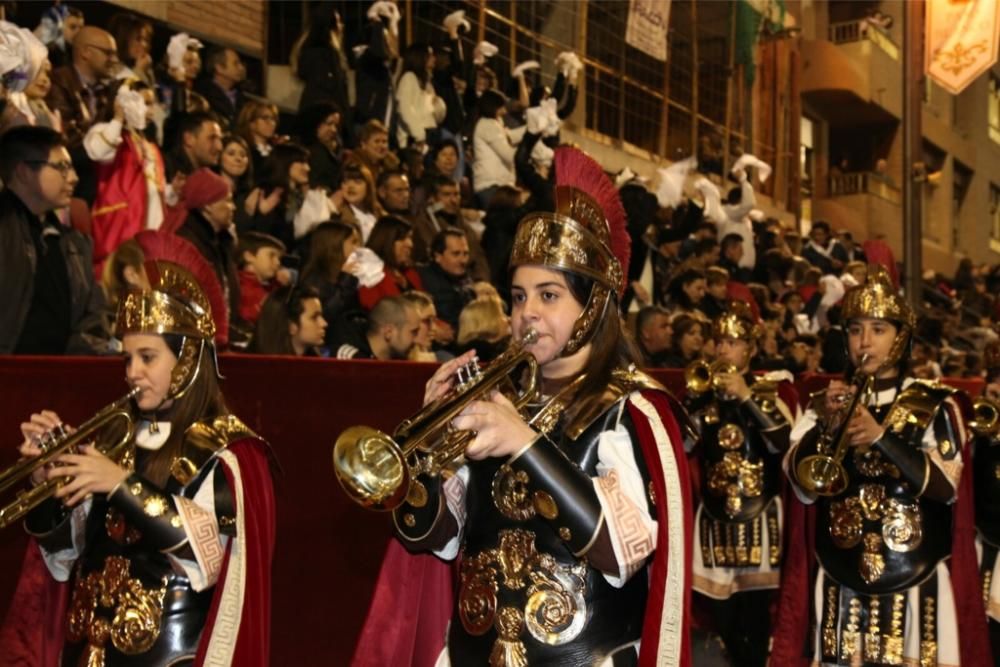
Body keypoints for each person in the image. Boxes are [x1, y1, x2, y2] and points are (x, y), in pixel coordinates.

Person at [357, 147, 693, 666]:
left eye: (549, 295)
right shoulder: (499, 400)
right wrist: (420, 457)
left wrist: (526, 444)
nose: (527, 314)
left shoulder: (632, 408)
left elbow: (622, 553)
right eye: (518, 296)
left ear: (593, 307)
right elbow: (433, 539)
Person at [7, 251, 274, 666]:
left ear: (186, 360)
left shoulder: (226, 449)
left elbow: (208, 556)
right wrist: (48, 485)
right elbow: (64, 558)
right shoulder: (115, 436)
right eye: (127, 358)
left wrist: (120, 484)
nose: (132, 371)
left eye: (148, 357)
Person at [773, 264, 992, 666]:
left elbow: (947, 488)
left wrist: (880, 437)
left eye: (878, 329)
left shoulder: (933, 402)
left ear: (900, 337)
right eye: (855, 330)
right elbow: (804, 488)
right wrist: (824, 426)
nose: (864, 342)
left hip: (916, 577)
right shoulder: (824, 402)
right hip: (841, 577)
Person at [682, 302, 796, 666]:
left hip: (759, 518)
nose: (722, 349)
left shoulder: (769, 392)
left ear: (749, 348)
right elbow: (683, 447)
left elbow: (783, 443)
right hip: (716, 519)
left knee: (756, 613)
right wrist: (692, 404)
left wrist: (746, 397)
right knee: (722, 615)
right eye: (718, 342)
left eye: (731, 342)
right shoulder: (704, 396)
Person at [0, 126, 109, 354]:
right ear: (23, 172)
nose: (73, 178)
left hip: (57, 379)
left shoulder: (74, 243)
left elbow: (91, 320)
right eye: (61, 167)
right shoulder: (6, 233)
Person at [251, 284, 328, 356]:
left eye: (321, 316)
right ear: (291, 326)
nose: (324, 323)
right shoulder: (255, 367)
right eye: (314, 317)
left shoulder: (317, 365)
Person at [335, 294, 420, 360]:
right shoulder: (349, 361)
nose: (417, 340)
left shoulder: (401, 362)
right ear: (388, 332)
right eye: (414, 332)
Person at [237, 231, 288, 326]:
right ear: (249, 256)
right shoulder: (239, 287)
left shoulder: (272, 286)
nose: (278, 263)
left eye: (279, 258)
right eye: (271, 255)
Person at [194, 46, 246, 128]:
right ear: (219, 68)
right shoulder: (203, 94)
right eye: (236, 63)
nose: (241, 68)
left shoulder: (242, 97)